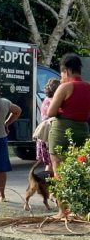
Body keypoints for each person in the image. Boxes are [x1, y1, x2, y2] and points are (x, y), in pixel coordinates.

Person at [47, 53, 90, 219]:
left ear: (66, 71)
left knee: (59, 172)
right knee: (80, 171)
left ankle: (62, 212)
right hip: (83, 131)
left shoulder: (64, 87)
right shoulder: (88, 86)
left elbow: (50, 112)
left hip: (61, 132)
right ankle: (81, 210)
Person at [38, 78, 60, 172]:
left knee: (49, 164)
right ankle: (49, 185)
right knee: (52, 165)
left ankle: (47, 184)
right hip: (50, 134)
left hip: (44, 134)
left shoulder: (46, 100)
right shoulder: (54, 102)